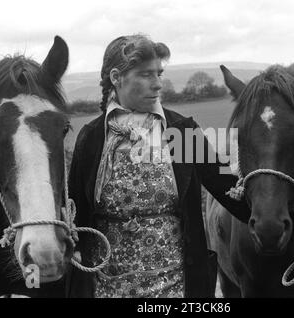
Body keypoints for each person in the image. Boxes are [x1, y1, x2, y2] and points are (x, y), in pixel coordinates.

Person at [66, 34, 249, 298]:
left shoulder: (182, 132)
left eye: (159, 74)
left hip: (176, 285)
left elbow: (228, 190)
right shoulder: (93, 138)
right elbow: (75, 215)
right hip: (105, 285)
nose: (157, 84)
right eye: (145, 75)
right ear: (116, 77)